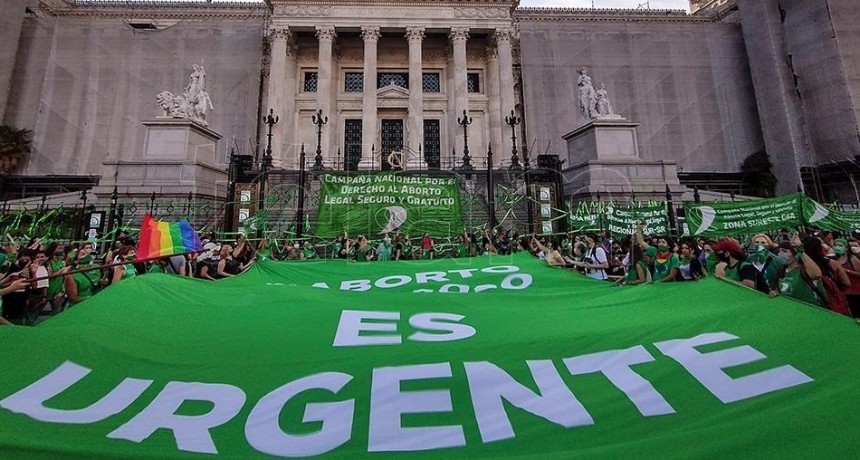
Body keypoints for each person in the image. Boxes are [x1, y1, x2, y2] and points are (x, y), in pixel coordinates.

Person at [834, 238, 860, 316]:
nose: (837, 247)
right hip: (842, 292)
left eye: (840, 245)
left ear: (846, 248)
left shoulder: (852, 259)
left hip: (856, 292)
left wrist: (845, 271)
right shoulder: (832, 259)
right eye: (835, 245)